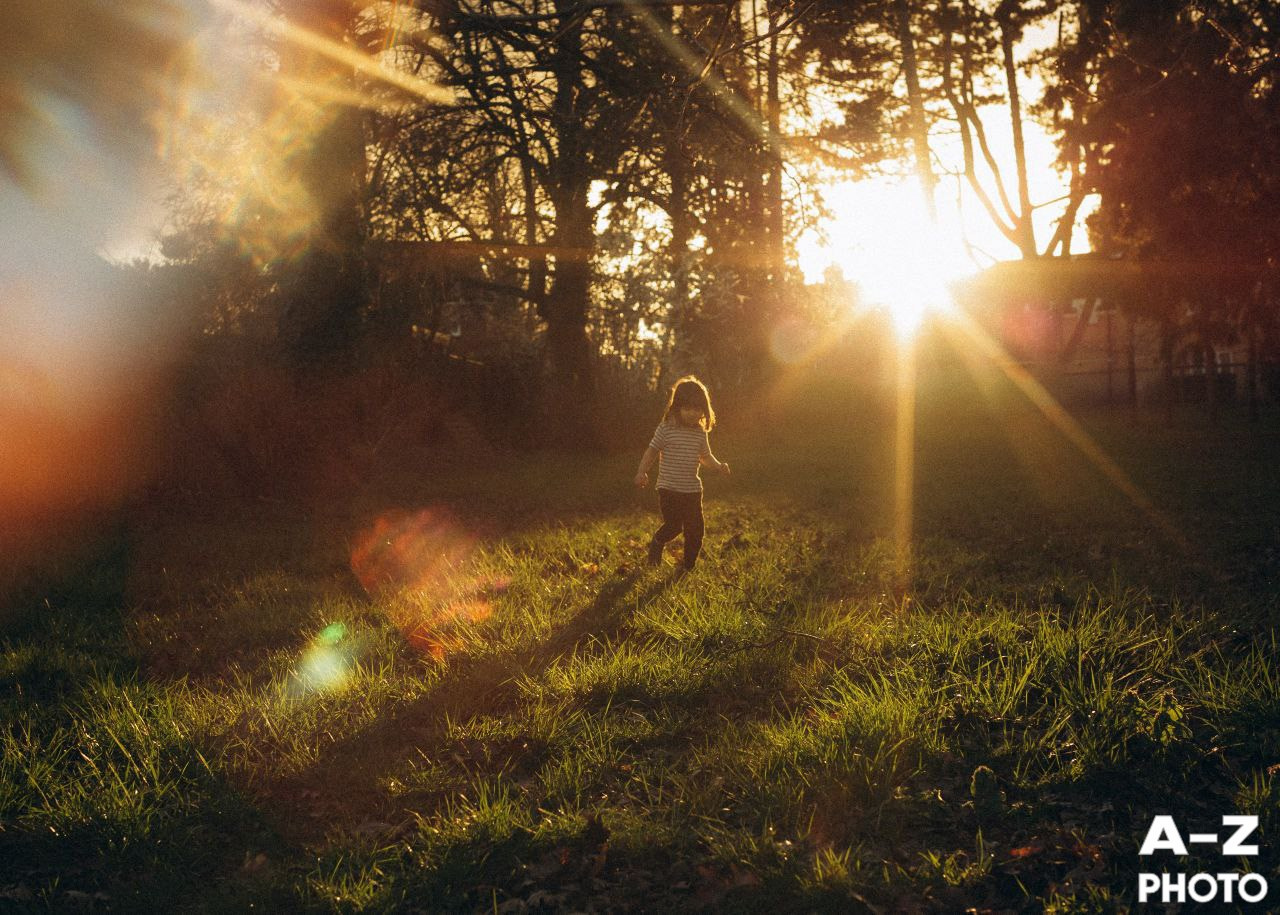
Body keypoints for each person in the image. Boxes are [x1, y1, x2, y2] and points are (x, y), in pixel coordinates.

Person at [633, 376, 730, 570]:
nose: (693, 414)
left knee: (696, 530)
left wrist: (719, 466)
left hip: (692, 491)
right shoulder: (666, 429)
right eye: (687, 408)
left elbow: (705, 456)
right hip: (668, 489)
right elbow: (651, 451)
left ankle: (688, 566)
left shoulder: (700, 433)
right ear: (677, 407)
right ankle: (658, 542)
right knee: (674, 526)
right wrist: (642, 472)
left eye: (698, 409)